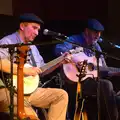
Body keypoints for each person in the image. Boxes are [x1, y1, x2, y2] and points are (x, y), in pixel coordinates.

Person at [0, 13, 71, 120]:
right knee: (32, 117)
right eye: (34, 28)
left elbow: (41, 69)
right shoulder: (7, 41)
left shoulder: (32, 47)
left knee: (61, 95)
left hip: (30, 91)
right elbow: (0, 63)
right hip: (10, 91)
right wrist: (25, 71)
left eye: (38, 30)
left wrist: (59, 63)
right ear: (22, 26)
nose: (37, 33)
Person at [54, 19, 119, 120]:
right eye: (95, 32)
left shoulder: (96, 47)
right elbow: (59, 49)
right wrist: (75, 60)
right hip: (74, 80)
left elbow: (104, 69)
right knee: (106, 85)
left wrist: (116, 72)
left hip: (91, 80)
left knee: (111, 91)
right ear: (87, 31)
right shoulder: (74, 40)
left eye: (100, 33)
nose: (98, 35)